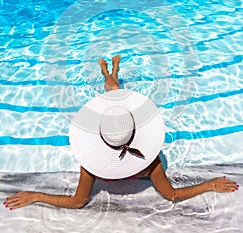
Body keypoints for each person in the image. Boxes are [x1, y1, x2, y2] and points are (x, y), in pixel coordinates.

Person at [3, 55, 239, 210]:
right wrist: (209, 184)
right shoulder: (150, 162)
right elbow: (172, 196)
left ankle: (109, 69)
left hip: (115, 125)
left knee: (114, 89)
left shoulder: (90, 164)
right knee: (114, 89)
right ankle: (110, 69)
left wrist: (36, 195)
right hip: (121, 126)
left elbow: (78, 202)